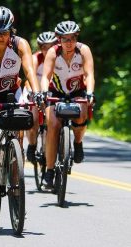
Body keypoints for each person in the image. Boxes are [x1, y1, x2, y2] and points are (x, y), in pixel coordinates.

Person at [0, 6, 42, 181]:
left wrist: (37, 92)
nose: (1, 36)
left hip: (12, 91)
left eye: (4, 31)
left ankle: (16, 169)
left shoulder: (20, 44)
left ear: (11, 29)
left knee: (18, 123)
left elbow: (29, 71)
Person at [40, 20, 95, 189]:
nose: (69, 43)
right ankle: (49, 171)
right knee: (53, 126)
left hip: (78, 91)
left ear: (76, 38)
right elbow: (45, 76)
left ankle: (78, 143)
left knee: (82, 116)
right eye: (65, 39)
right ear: (59, 40)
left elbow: (89, 74)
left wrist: (90, 92)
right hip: (56, 92)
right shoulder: (52, 52)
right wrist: (43, 93)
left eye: (72, 38)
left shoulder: (83, 50)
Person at [24, 31, 58, 163]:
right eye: (44, 47)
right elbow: (28, 78)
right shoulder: (35, 58)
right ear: (40, 48)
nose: (48, 50)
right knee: (33, 119)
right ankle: (32, 145)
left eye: (51, 46)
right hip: (36, 92)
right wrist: (30, 91)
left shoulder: (59, 57)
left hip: (53, 93)